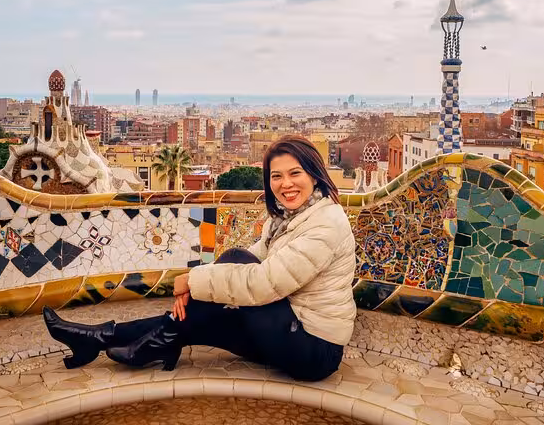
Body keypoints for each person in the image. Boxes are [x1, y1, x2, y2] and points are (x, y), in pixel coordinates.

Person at [43, 135, 356, 381]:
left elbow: (263, 283)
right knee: (196, 315)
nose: (285, 184)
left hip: (313, 350)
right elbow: (255, 257)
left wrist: (191, 281)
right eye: (276, 176)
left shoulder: (325, 223)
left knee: (233, 262)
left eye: (294, 173)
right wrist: (196, 288)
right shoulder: (292, 216)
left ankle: (143, 342)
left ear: (314, 175)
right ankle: (97, 338)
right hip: (288, 330)